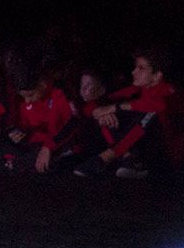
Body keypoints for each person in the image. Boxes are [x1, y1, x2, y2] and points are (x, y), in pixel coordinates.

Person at [74, 50, 177, 178]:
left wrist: (115, 107)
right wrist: (99, 112)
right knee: (107, 115)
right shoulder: (138, 89)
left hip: (171, 155)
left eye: (141, 68)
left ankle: (106, 157)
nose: (133, 72)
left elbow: (158, 106)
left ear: (156, 76)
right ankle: (130, 159)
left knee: (150, 113)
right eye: (135, 67)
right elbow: (100, 101)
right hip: (148, 151)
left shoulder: (170, 93)